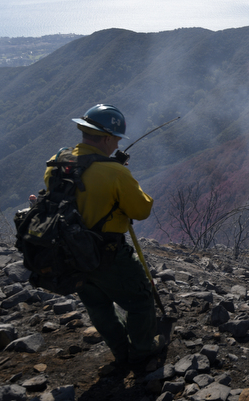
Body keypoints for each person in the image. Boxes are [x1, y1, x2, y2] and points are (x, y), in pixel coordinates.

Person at [44, 104, 163, 365]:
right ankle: (142, 351)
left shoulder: (58, 161)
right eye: (117, 138)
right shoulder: (115, 172)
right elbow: (141, 210)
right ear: (107, 138)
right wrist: (118, 175)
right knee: (140, 301)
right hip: (107, 254)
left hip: (69, 253)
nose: (118, 143)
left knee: (97, 305)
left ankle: (121, 352)